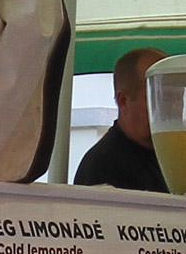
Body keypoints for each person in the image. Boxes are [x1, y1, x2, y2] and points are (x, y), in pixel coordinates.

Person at [71, 46, 171, 192]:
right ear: (124, 101)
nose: (175, 108)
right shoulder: (104, 166)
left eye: (179, 97)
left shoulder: (171, 157)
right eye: (163, 98)